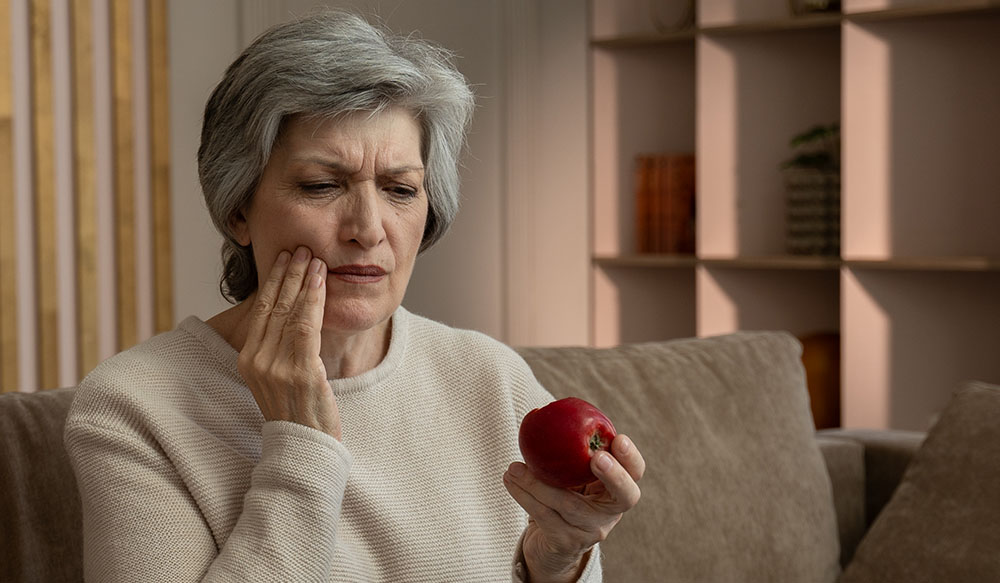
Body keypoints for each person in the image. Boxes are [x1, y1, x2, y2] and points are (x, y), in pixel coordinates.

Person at [64, 10, 643, 582]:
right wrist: (301, 446)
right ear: (238, 209)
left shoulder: (490, 378)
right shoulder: (132, 408)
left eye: (400, 189)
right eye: (321, 186)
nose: (367, 228)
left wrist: (556, 564)